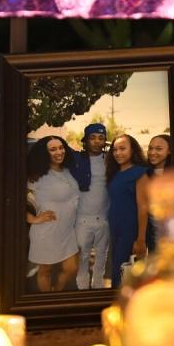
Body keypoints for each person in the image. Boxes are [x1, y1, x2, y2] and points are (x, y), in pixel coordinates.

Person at [27, 136, 80, 292]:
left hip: (67, 231)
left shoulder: (67, 171)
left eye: (61, 147)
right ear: (45, 153)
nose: (59, 152)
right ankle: (46, 302)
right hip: (46, 231)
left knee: (71, 269)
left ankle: (56, 293)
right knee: (45, 271)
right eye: (53, 149)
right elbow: (15, 201)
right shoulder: (36, 177)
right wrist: (34, 219)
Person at [68, 123, 109, 290]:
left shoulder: (111, 159)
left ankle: (98, 287)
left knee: (102, 256)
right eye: (92, 138)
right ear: (85, 140)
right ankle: (82, 289)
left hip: (105, 217)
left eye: (101, 138)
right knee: (82, 256)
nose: (97, 142)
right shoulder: (77, 159)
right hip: (82, 218)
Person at [106, 134, 150, 287]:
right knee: (118, 271)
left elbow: (144, 207)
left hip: (130, 230)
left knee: (124, 274)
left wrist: (141, 240)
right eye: (115, 150)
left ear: (133, 151)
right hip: (115, 229)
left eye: (122, 149)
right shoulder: (115, 173)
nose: (118, 153)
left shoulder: (140, 173)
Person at [144, 133, 172, 252]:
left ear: (169, 151)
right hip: (153, 237)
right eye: (150, 148)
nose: (152, 152)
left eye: (159, 149)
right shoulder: (144, 174)